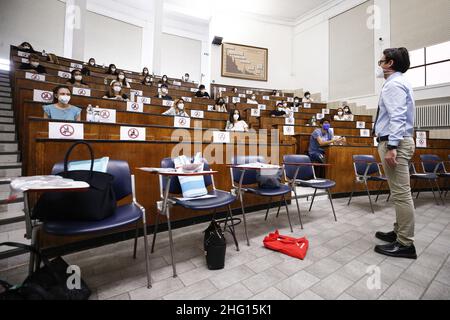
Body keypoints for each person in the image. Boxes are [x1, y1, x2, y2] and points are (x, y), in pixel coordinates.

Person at [373, 47, 417, 259]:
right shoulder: (400, 82)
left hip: (395, 144)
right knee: (399, 192)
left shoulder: (393, 85)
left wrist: (392, 147)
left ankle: (405, 243)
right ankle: (399, 232)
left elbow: (397, 117)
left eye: (381, 61)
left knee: (401, 194)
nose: (379, 64)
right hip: (398, 142)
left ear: (389, 64)